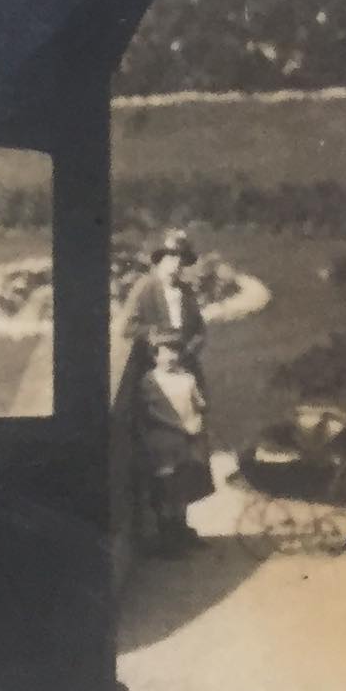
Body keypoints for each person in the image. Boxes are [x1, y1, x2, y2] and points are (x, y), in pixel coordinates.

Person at [135, 330, 215, 554]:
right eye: (165, 352)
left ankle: (182, 531)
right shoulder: (150, 380)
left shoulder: (187, 378)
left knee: (183, 486)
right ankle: (167, 539)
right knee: (166, 488)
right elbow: (150, 411)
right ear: (155, 356)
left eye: (175, 351)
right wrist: (178, 425)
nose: (171, 357)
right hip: (163, 440)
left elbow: (199, 404)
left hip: (186, 440)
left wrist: (197, 421)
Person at [121, 230, 208, 372]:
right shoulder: (145, 288)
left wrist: (187, 352)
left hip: (184, 363)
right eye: (172, 256)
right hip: (152, 365)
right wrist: (158, 337)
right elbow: (128, 328)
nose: (177, 262)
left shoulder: (186, 292)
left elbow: (200, 331)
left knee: (194, 391)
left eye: (182, 257)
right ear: (161, 258)